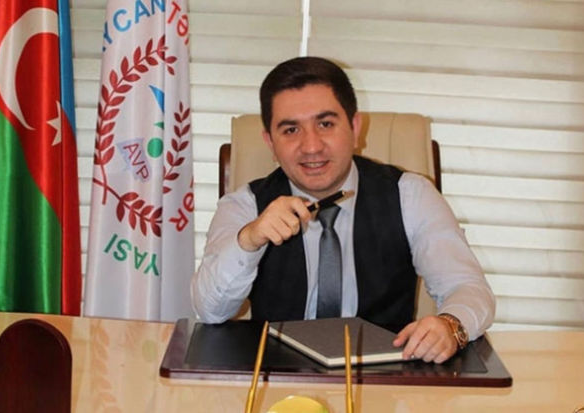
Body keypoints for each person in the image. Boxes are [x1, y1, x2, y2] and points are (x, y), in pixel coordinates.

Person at [191, 56, 495, 364]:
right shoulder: (244, 206)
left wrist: (451, 326)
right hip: (278, 377)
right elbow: (210, 311)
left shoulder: (410, 194)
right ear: (270, 142)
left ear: (355, 127)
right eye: (291, 130)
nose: (311, 146)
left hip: (387, 375)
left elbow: (467, 287)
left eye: (325, 124)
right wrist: (250, 240)